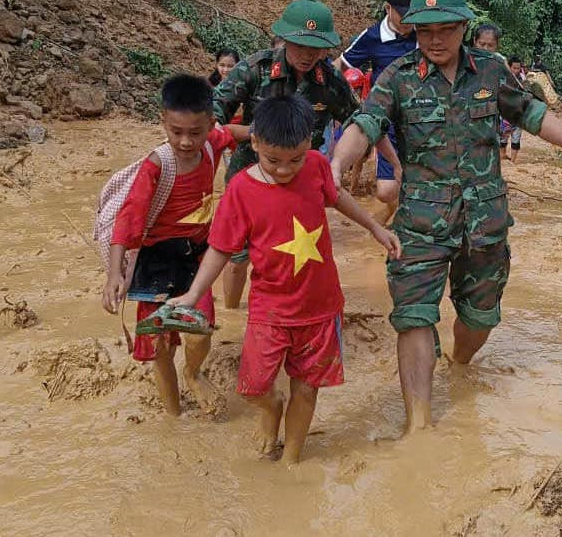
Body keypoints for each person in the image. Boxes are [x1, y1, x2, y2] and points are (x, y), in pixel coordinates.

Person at [331, 0, 562, 435]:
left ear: (464, 26)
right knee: (413, 317)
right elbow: (366, 123)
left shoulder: (490, 71)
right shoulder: (399, 77)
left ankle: (459, 365)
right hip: (421, 223)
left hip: (484, 223)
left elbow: (532, 114)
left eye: (445, 30)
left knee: (479, 318)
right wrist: (336, 164)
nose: (435, 40)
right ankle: (420, 428)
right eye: (425, 31)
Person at [168, 94, 401, 463]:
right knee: (253, 388)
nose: (284, 170)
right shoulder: (241, 190)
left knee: (307, 389)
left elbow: (337, 196)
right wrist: (194, 294)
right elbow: (220, 249)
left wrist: (375, 227)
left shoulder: (317, 166)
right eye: (273, 160)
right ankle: (272, 407)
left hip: (321, 308)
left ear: (309, 143)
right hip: (270, 311)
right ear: (255, 142)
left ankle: (292, 460)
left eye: (295, 159)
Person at [102, 74, 242, 417]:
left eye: (195, 132)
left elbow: (233, 133)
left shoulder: (211, 144)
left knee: (201, 328)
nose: (185, 141)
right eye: (176, 131)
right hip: (157, 261)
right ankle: (173, 417)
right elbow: (128, 219)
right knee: (160, 346)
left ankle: (193, 373)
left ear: (210, 124)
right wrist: (113, 274)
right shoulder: (156, 165)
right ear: (163, 121)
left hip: (197, 257)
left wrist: (265, 134)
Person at [212, 0, 360, 310]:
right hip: (249, 176)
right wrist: (246, 133)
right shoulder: (255, 69)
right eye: (300, 45)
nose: (307, 55)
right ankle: (233, 314)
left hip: (301, 180)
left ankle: (291, 311)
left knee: (297, 249)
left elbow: (357, 121)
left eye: (316, 48)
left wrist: (339, 161)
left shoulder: (331, 82)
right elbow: (214, 111)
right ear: (286, 39)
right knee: (237, 255)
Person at [334, 0, 417, 223]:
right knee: (386, 192)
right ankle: (394, 207)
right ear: (387, 8)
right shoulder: (373, 36)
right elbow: (340, 65)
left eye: (412, 15)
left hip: (419, 118)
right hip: (387, 120)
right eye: (403, 15)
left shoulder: (425, 33)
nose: (408, 22)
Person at [500, 56, 524, 163]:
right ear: (509, 68)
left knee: (516, 137)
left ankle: (513, 161)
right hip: (505, 113)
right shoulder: (503, 78)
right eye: (514, 68)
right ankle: (503, 155)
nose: (516, 70)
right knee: (503, 136)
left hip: (518, 113)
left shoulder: (523, 79)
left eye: (518, 68)